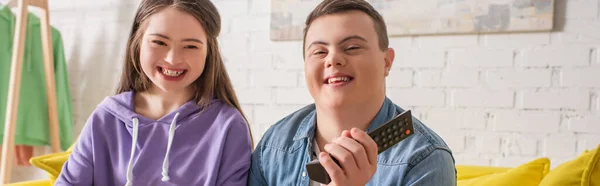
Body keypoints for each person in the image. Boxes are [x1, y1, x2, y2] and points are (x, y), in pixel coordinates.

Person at [248, 0, 456, 185]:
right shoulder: (274, 145)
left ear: (386, 62)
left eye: (352, 47)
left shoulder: (426, 160)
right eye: (319, 51)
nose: (333, 59)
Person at [55, 0, 253, 185]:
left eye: (191, 46)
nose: (173, 59)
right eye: (159, 42)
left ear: (209, 51)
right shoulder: (106, 117)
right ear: (138, 41)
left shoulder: (228, 126)